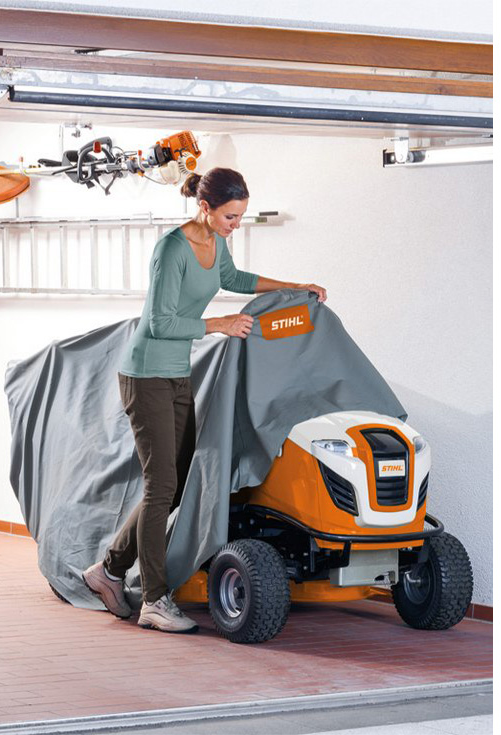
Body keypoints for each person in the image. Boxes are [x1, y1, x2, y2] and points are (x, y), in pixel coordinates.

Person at [83, 167, 326, 633]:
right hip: (146, 374)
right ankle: (153, 599)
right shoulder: (172, 249)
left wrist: (294, 288)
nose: (236, 224)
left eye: (240, 216)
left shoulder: (216, 242)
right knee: (161, 486)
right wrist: (220, 325)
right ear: (205, 208)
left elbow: (234, 277)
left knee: (175, 484)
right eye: (231, 216)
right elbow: (160, 323)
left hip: (177, 374)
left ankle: (108, 570)